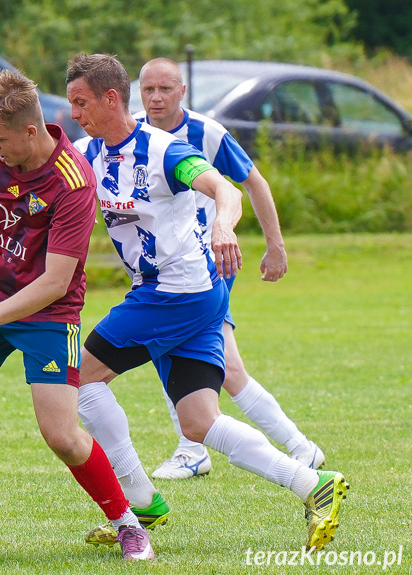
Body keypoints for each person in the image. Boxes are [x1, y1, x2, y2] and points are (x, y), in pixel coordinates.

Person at [64, 53, 349, 552]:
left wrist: (222, 223)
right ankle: (313, 484)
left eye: (81, 102)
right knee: (199, 422)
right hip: (193, 295)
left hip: (174, 293)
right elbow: (42, 191)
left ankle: (139, 502)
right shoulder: (88, 152)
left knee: (79, 379)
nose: (74, 113)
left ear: (111, 99)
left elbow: (225, 187)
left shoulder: (164, 149)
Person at [0, 68, 154, 561]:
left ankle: (127, 523)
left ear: (31, 131)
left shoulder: (73, 183)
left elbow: (55, 282)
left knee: (61, 434)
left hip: (47, 313)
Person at [136, 57, 325, 480]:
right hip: (162, 270)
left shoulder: (207, 133)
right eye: (148, 90)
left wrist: (275, 246)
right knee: (200, 360)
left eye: (165, 89)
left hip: (208, 264)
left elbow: (253, 183)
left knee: (206, 361)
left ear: (182, 91)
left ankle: (206, 451)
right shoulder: (134, 134)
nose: (156, 98)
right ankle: (292, 447)